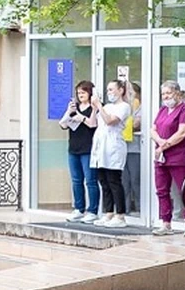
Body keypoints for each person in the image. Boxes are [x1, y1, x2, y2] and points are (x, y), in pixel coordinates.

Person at [150, 81, 185, 236]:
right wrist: (160, 142)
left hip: (179, 157)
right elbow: (153, 129)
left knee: (184, 190)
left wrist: (163, 145)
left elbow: (182, 133)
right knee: (162, 190)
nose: (166, 97)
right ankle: (166, 223)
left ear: (177, 93)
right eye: (163, 94)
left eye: (168, 93)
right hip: (161, 157)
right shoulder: (162, 110)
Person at [89, 80, 131, 227]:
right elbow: (93, 123)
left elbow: (110, 121)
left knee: (114, 181)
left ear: (121, 90)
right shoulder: (107, 106)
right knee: (103, 181)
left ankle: (120, 215)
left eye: (112, 89)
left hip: (113, 146)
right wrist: (95, 108)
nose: (109, 93)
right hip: (101, 146)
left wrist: (99, 106)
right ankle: (108, 213)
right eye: (108, 90)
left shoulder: (124, 107)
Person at [59, 80, 99, 223]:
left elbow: (92, 124)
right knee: (76, 180)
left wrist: (81, 117)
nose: (80, 95)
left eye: (83, 92)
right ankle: (79, 208)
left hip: (88, 149)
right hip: (74, 148)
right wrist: (69, 112)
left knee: (90, 180)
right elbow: (63, 124)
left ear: (90, 93)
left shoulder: (95, 108)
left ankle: (93, 210)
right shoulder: (74, 107)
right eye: (78, 93)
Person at [122, 82, 142, 215]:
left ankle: (141, 208)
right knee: (124, 181)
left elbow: (136, 124)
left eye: (131, 92)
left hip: (137, 148)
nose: (129, 95)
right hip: (123, 148)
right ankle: (126, 208)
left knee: (135, 179)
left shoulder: (142, 107)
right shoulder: (123, 107)